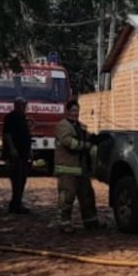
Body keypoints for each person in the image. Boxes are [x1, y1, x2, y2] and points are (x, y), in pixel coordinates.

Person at [54, 99, 100, 233]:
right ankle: (64, 224)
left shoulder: (81, 127)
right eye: (73, 110)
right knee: (67, 197)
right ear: (67, 111)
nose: (75, 113)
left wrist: (97, 138)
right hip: (67, 169)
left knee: (87, 196)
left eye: (77, 111)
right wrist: (86, 146)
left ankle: (91, 222)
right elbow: (68, 142)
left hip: (82, 169)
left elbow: (88, 137)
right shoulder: (62, 126)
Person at [2, 97, 32, 214]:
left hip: (23, 153)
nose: (24, 107)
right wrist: (12, 149)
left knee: (22, 179)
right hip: (15, 155)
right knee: (17, 180)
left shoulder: (23, 118)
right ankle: (15, 205)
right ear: (16, 105)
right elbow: (7, 135)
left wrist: (30, 151)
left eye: (25, 105)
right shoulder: (11, 118)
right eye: (22, 105)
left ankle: (17, 203)